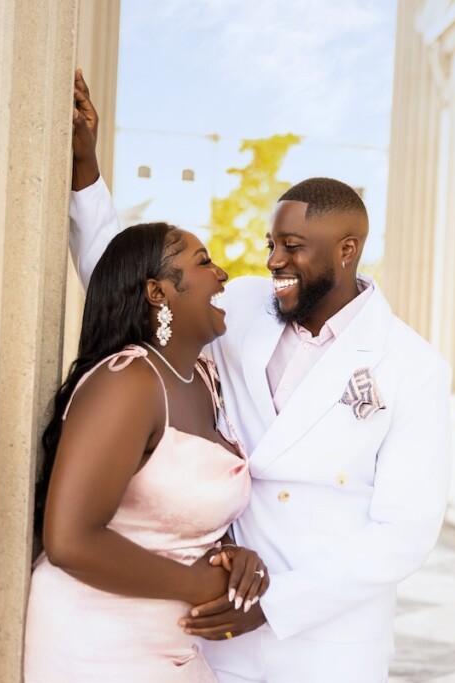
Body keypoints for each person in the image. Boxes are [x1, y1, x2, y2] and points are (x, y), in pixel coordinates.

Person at [68, 71, 452, 682]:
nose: (273, 260)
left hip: (326, 641)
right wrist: (85, 175)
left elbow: (404, 534)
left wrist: (276, 607)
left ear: (347, 249)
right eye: (271, 243)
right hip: (213, 624)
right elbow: (133, 288)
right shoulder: (241, 308)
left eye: (293, 245)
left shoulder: (414, 367)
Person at [24, 217, 272, 682]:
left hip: (172, 643)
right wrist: (199, 583)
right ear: (158, 293)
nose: (221, 274)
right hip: (94, 641)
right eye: (203, 262)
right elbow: (69, 539)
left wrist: (232, 555)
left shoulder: (205, 379)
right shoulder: (128, 382)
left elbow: (174, 510)